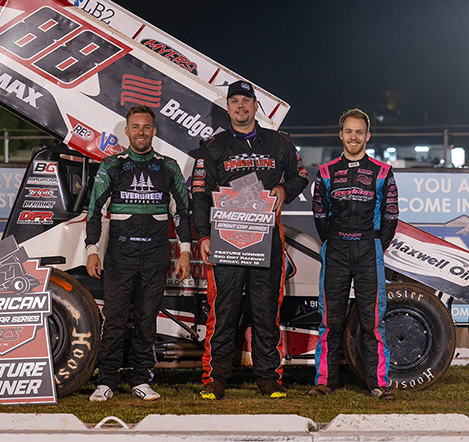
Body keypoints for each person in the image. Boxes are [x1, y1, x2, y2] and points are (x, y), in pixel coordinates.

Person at [191, 80, 308, 399]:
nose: (240, 106)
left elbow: (301, 175)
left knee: (266, 310)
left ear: (257, 106)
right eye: (234, 102)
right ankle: (215, 378)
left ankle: (269, 377)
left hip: (266, 241)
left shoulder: (279, 142)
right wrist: (203, 235)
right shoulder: (214, 147)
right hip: (226, 240)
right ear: (227, 108)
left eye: (246, 101)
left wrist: (285, 190)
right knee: (223, 311)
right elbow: (199, 195)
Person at [85, 105, 192, 402]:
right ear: (127, 131)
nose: (141, 132)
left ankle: (142, 380)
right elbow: (95, 212)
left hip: (156, 256)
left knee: (147, 321)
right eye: (136, 127)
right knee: (114, 320)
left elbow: (182, 212)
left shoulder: (168, 167)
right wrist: (92, 250)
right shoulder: (111, 165)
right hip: (120, 255)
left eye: (146, 127)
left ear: (154, 131)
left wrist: (185, 251)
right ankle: (106, 380)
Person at [309, 108, 399, 400]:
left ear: (367, 136)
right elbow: (319, 214)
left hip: (367, 250)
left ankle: (378, 384)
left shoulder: (383, 172)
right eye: (349, 131)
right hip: (334, 248)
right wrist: (334, 241)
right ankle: (325, 381)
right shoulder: (325, 172)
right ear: (341, 135)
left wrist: (374, 243)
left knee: (373, 321)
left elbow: (391, 215)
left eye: (359, 132)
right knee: (329, 321)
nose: (354, 137)